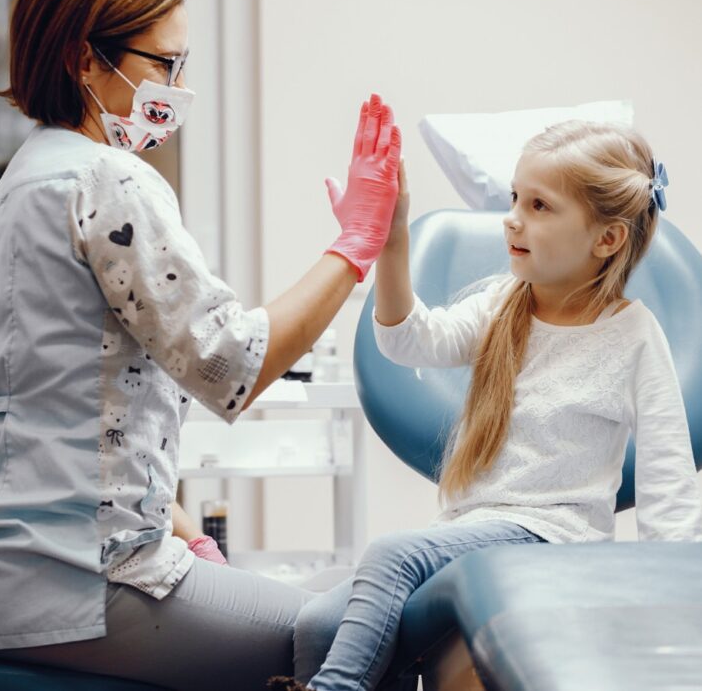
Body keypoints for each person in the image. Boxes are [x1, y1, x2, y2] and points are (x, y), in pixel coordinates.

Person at [0, 0, 402, 691]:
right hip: (71, 579)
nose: (178, 88)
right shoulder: (109, 181)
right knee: (360, 635)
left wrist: (189, 537)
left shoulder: (24, 180)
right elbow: (232, 366)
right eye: (164, 64)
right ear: (85, 59)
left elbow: (87, 413)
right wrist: (354, 247)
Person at [269, 121, 702, 691]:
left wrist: (672, 608)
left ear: (607, 239)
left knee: (391, 554)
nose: (512, 219)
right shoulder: (503, 304)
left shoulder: (632, 336)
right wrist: (392, 239)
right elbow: (407, 341)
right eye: (515, 198)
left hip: (553, 541)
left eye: (540, 206)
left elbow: (669, 481)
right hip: (470, 530)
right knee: (317, 624)